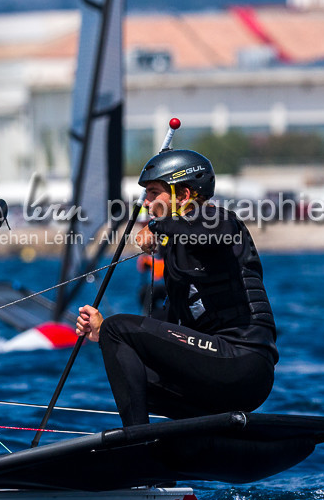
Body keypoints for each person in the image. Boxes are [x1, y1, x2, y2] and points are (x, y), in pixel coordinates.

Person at [74, 148, 277, 427]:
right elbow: (167, 329)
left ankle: (136, 444)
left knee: (118, 328)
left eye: (153, 192)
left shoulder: (219, 219)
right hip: (211, 372)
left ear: (182, 195)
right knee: (127, 358)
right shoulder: (176, 254)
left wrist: (157, 228)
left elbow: (212, 233)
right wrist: (104, 333)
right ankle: (192, 439)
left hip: (243, 362)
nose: (145, 203)